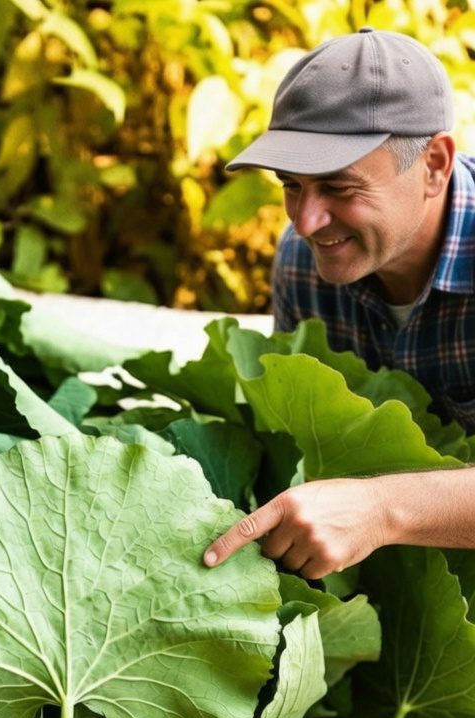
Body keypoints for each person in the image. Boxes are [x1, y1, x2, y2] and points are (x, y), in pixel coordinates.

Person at [203, 27, 475, 580]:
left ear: (434, 166)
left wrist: (380, 510)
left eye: (340, 188)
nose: (305, 222)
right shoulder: (304, 263)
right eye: (291, 185)